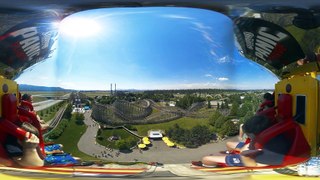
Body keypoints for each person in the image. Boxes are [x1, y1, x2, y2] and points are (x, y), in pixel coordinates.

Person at [195, 115, 290, 167]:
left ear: (256, 135)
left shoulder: (271, 154)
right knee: (229, 143)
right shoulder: (271, 131)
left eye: (249, 135)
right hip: (259, 147)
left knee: (206, 158)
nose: (247, 136)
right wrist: (251, 143)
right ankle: (229, 153)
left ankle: (211, 164)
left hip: (252, 157)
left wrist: (244, 155)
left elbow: (254, 166)